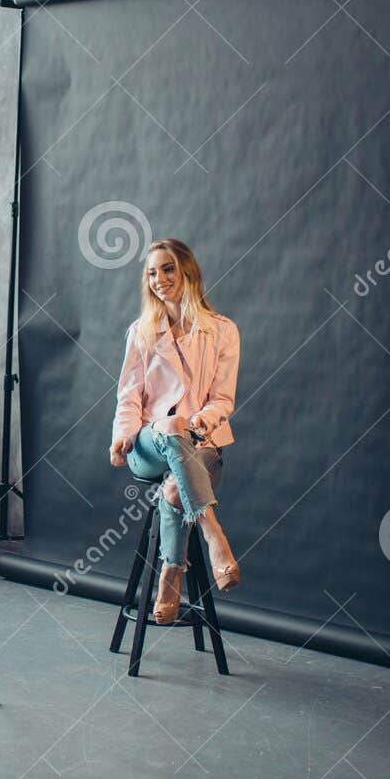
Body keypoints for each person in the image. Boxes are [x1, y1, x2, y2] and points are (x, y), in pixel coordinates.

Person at [109, 238, 242, 624]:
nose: (159, 279)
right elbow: (129, 397)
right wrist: (122, 437)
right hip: (149, 444)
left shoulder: (222, 331)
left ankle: (171, 573)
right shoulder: (141, 331)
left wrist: (202, 420)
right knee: (169, 425)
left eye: (168, 269)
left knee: (173, 489)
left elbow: (223, 398)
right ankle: (213, 531)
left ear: (188, 273)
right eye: (152, 272)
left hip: (200, 446)